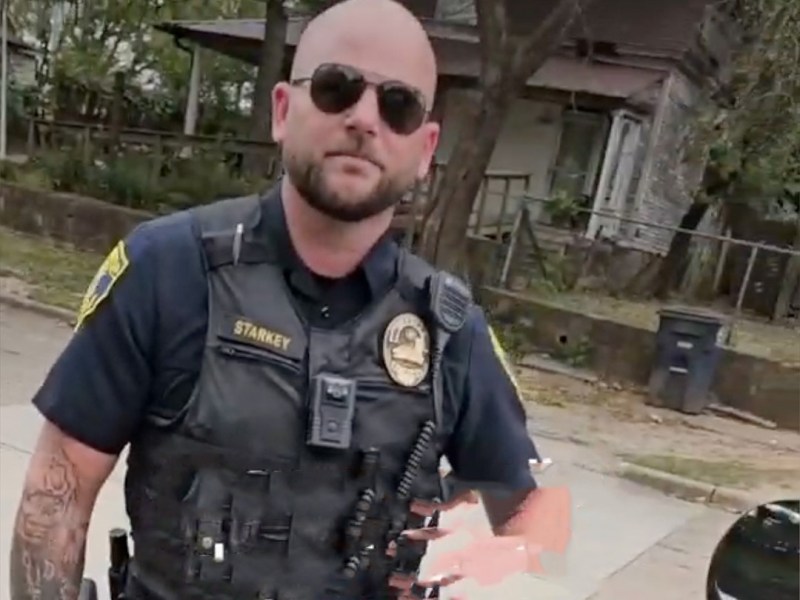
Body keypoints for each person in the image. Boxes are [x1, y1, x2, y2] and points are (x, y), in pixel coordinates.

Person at [8, 1, 543, 598]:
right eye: (337, 88)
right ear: (283, 110)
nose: (365, 120)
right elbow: (56, 496)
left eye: (399, 106)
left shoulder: (452, 332)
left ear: (424, 150)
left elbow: (532, 523)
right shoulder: (166, 270)